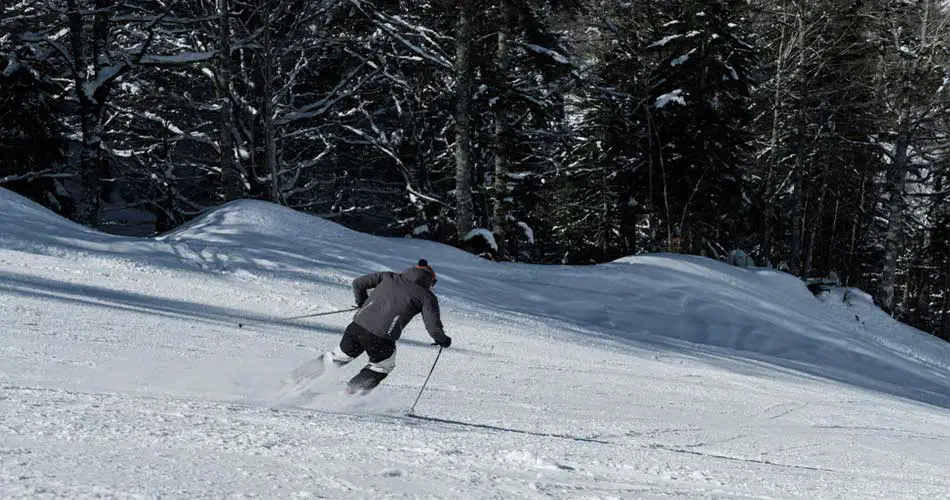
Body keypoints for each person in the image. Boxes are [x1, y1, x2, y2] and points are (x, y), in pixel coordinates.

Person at [322, 259, 451, 394]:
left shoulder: (388, 276)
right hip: (381, 338)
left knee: (338, 357)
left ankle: (301, 377)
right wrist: (442, 339)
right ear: (431, 280)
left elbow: (358, 283)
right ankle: (348, 395)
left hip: (357, 327)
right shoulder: (427, 297)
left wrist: (362, 303)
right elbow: (432, 325)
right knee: (381, 367)